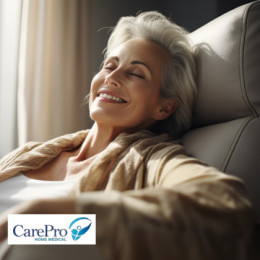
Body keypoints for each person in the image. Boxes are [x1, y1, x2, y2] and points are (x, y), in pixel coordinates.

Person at [0, 11, 255, 260]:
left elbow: (223, 205)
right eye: (109, 66)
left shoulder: (153, 160)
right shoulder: (32, 153)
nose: (111, 77)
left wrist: (42, 218)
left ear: (164, 107)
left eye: (135, 73)